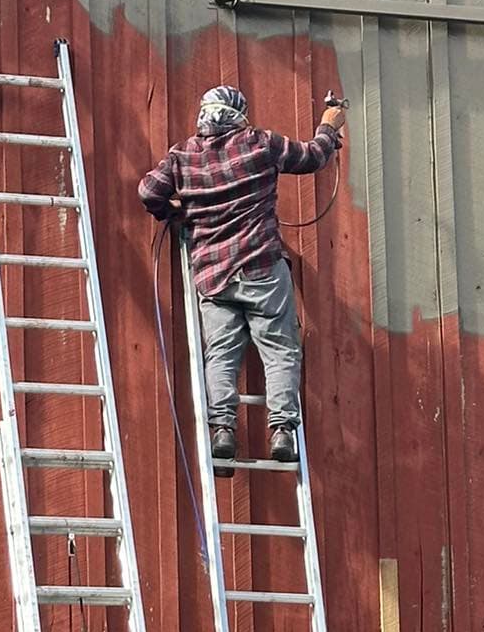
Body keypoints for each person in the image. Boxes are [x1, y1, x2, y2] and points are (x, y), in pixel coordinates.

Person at [138, 85, 347, 469]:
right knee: (281, 349)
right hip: (262, 266)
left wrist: (176, 215)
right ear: (238, 115)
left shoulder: (182, 157)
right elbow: (313, 156)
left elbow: (149, 191)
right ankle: (282, 430)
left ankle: (222, 430)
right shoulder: (260, 144)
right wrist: (329, 125)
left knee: (221, 353)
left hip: (213, 274)